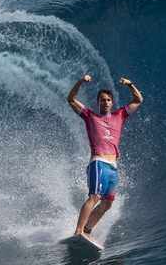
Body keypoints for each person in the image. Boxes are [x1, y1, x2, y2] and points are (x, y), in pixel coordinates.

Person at [67, 74, 143, 243]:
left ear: (111, 102)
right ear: (98, 102)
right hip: (98, 163)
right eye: (102, 100)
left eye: (108, 100)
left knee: (107, 204)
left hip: (113, 167)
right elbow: (71, 99)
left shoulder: (120, 115)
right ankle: (78, 231)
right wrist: (80, 82)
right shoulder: (90, 116)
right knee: (94, 197)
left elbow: (138, 100)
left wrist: (130, 83)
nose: (106, 102)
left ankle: (87, 230)